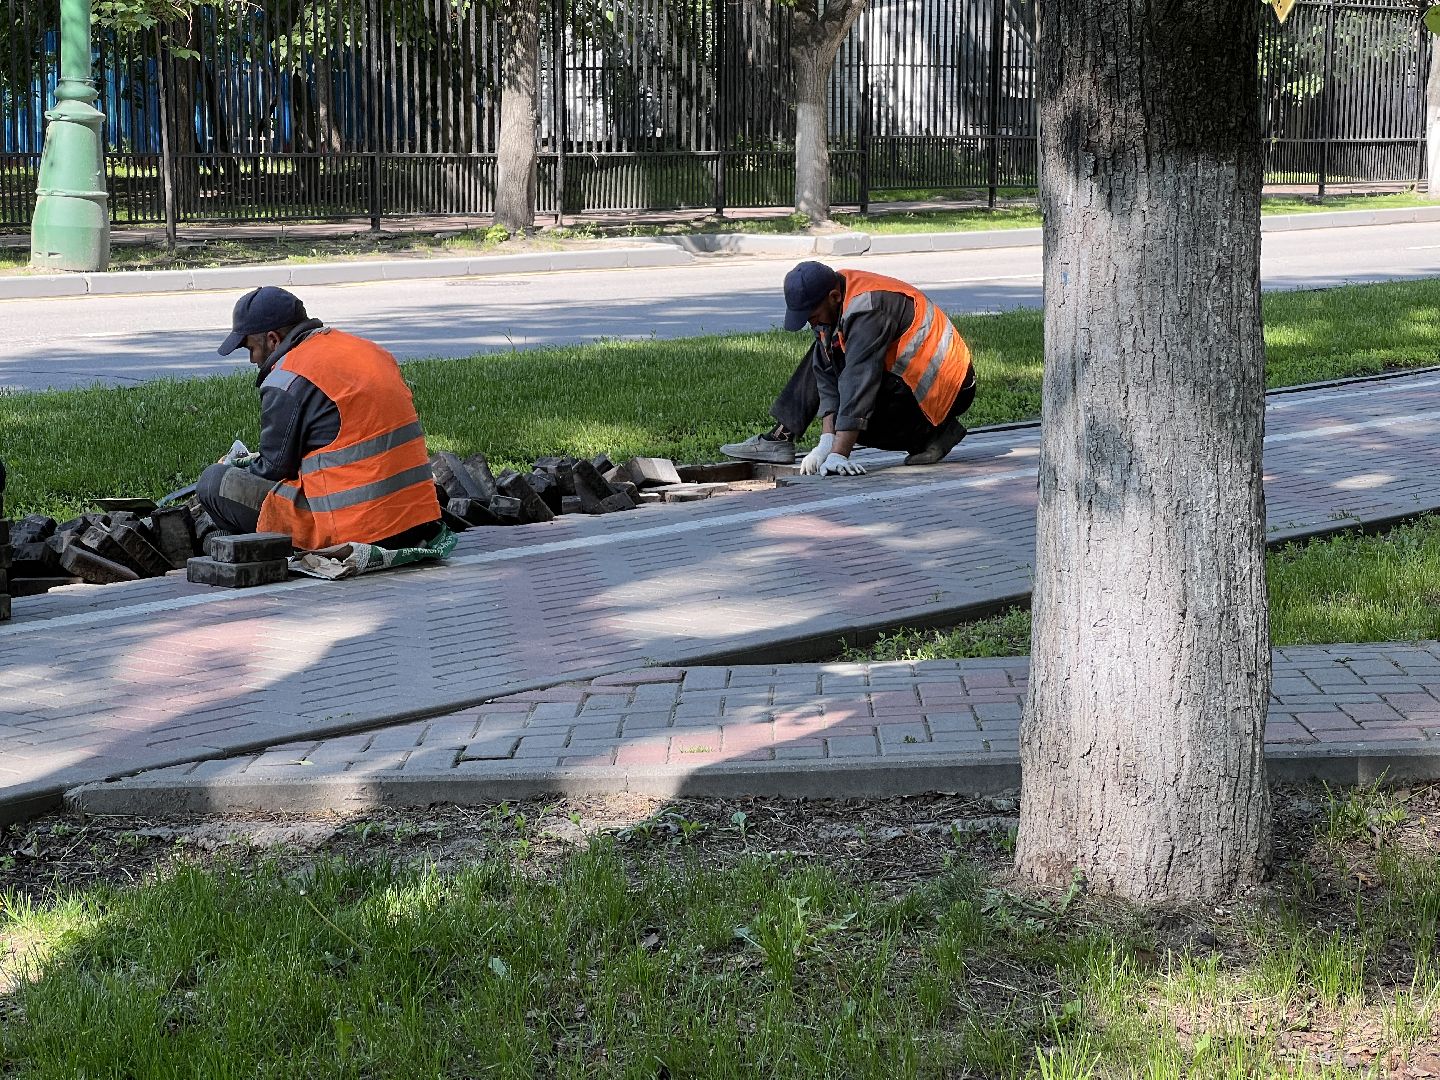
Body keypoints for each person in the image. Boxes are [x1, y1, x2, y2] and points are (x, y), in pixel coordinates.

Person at [196, 286, 442, 550]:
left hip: (356, 527)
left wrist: (235, 469)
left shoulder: (287, 377)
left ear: (273, 340)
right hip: (416, 519)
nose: (252, 360)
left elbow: (274, 469)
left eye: (250, 349)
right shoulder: (369, 351)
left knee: (213, 482)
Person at [720, 261, 977, 475]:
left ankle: (934, 433)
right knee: (823, 354)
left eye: (813, 316)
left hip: (948, 386)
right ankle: (781, 436)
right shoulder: (835, 298)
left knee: (855, 421)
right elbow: (826, 372)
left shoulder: (868, 307)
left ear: (833, 297)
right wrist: (826, 442)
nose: (812, 324)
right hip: (909, 381)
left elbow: (859, 380)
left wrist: (838, 454)